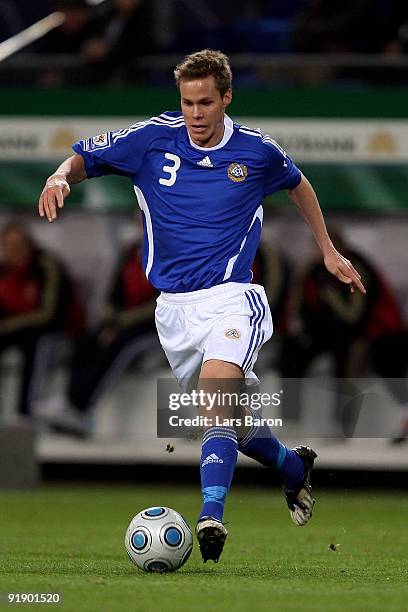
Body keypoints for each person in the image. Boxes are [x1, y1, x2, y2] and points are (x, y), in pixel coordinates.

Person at [38, 49, 365, 564]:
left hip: (234, 298)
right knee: (231, 424)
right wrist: (60, 177)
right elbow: (84, 158)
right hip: (174, 311)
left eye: (206, 102)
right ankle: (291, 467)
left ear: (226, 98)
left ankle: (211, 515)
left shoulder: (257, 152)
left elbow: (298, 184)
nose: (195, 113)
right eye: (188, 102)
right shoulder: (151, 138)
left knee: (215, 396)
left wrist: (326, 249)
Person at [279, 229, 404, 435]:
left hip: (364, 333)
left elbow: (354, 317)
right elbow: (299, 306)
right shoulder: (313, 271)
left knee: (347, 355)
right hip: (327, 333)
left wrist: (332, 299)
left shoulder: (355, 269)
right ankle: (291, 420)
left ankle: (341, 425)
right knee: (292, 351)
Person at [36, 236, 158, 435]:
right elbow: (114, 293)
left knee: (122, 345)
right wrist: (110, 321)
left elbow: (162, 300)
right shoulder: (129, 252)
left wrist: (119, 323)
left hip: (155, 325)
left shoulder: (170, 249)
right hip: (123, 322)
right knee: (86, 340)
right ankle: (70, 402)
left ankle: (83, 408)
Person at [0, 221, 83, 417]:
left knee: (36, 344)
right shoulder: (4, 271)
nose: (14, 252)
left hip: (55, 329)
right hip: (16, 329)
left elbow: (49, 315)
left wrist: (8, 325)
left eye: (19, 246)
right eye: (8, 247)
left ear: (29, 245)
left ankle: (25, 411)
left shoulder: (47, 267)